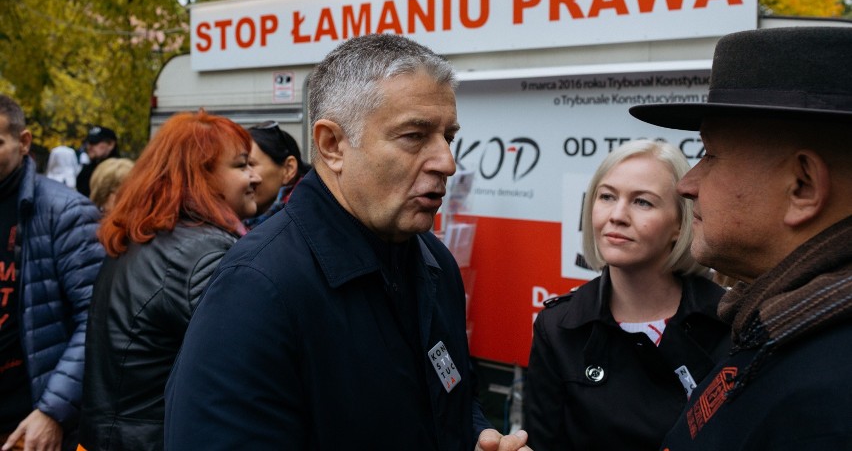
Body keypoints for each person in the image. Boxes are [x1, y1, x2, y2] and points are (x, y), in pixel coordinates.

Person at [164, 34, 531, 451]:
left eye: (448, 136)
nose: (447, 160)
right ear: (332, 145)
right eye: (414, 135)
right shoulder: (255, 290)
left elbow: (452, 399)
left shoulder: (435, 263)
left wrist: (478, 438)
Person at [628, 26, 852, 449]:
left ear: (802, 186)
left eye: (710, 154)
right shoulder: (777, 322)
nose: (687, 184)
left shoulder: (830, 405)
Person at [524, 140, 730, 450]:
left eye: (642, 202)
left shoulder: (728, 318)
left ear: (679, 223)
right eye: (607, 196)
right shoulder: (559, 327)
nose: (617, 215)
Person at [78, 111, 260, 451]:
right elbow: (247, 373)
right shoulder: (203, 254)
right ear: (200, 176)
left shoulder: (145, 237)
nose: (256, 176)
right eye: (241, 165)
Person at [0, 95, 104, 451]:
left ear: (23, 142)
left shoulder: (66, 212)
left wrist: (53, 411)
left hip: (27, 426)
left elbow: (95, 319)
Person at [243, 120, 310, 230]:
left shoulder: (303, 224)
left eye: (250, 164)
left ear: (288, 169)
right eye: (240, 166)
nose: (242, 177)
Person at [76, 126, 119, 198]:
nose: (89, 146)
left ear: (111, 144)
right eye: (88, 142)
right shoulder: (87, 169)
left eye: (95, 142)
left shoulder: (119, 170)